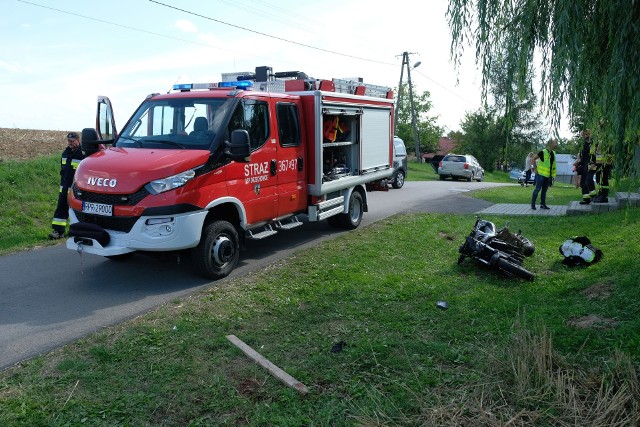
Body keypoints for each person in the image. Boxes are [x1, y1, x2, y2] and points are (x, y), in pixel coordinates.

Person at [49, 132, 85, 239]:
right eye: (68, 141)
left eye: (72, 141)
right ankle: (58, 232)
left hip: (78, 190)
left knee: (79, 211)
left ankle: (81, 232)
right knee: (61, 209)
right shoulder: (65, 153)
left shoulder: (83, 154)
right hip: (64, 189)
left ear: (78, 141)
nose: (70, 143)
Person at [530, 139, 558, 210]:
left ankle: (542, 205)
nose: (556, 144)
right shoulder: (543, 152)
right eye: (555, 143)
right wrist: (535, 169)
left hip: (548, 176)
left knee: (544, 191)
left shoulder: (553, 153)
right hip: (541, 175)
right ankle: (532, 205)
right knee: (537, 189)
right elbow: (533, 159)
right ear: (550, 144)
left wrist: (552, 175)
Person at [578, 129, 596, 204]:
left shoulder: (592, 143)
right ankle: (586, 199)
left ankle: (594, 196)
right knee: (582, 183)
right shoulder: (583, 145)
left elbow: (594, 154)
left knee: (588, 180)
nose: (581, 137)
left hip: (591, 164)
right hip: (584, 165)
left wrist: (594, 164)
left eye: (583, 135)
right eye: (581, 135)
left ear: (587, 135)